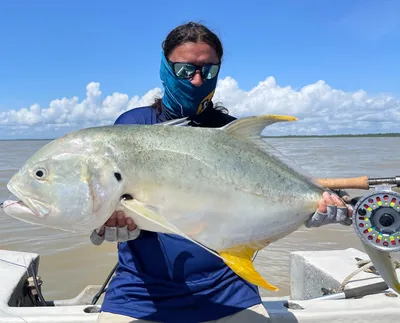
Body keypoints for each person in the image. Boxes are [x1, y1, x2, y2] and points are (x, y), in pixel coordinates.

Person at [91, 22, 353, 323]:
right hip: (140, 294)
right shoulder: (131, 126)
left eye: (209, 70)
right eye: (185, 70)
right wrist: (102, 227)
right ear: (165, 68)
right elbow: (100, 210)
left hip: (230, 288)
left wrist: (310, 209)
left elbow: (262, 202)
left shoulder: (231, 133)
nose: (197, 80)